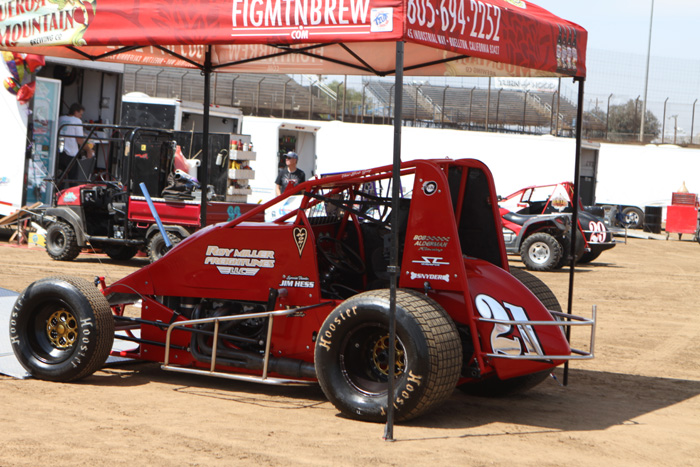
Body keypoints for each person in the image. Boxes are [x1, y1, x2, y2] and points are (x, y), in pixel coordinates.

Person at [57, 102, 94, 182]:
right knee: (72, 180)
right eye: (80, 114)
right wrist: (88, 150)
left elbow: (68, 130)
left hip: (59, 153)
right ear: (76, 112)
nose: (81, 117)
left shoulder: (61, 118)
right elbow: (79, 140)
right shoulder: (77, 121)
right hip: (71, 154)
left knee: (60, 179)